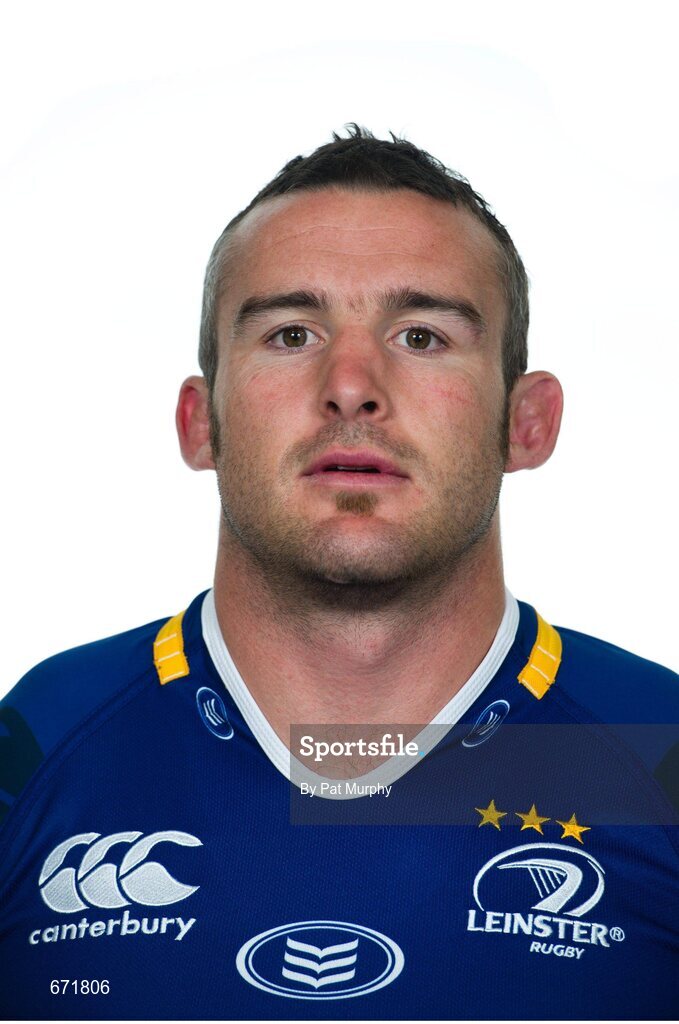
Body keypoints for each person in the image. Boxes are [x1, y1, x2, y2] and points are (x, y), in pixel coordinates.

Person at [0, 126, 677, 1021]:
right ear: (200, 423)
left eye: (422, 335)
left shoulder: (656, 751)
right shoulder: (39, 745)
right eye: (290, 332)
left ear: (528, 422)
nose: (351, 383)